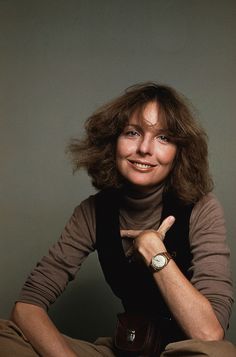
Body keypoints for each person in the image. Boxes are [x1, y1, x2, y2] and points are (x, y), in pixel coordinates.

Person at [0, 83, 235, 357]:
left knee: (219, 355)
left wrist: (153, 250)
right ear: (113, 141)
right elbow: (27, 306)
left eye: (163, 138)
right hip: (127, 349)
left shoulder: (202, 208)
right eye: (133, 133)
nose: (145, 149)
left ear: (179, 153)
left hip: (183, 352)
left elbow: (209, 333)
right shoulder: (92, 212)